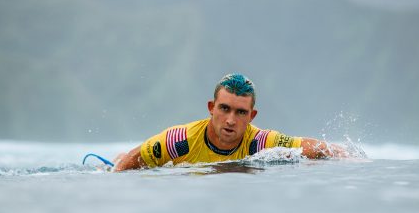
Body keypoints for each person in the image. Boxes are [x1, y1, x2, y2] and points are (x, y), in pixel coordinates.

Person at [114, 73, 347, 171]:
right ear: (211, 108)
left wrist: (351, 159)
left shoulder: (260, 143)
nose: (231, 120)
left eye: (240, 112)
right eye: (224, 109)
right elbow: (125, 166)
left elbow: (319, 148)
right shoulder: (179, 141)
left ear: (251, 117)